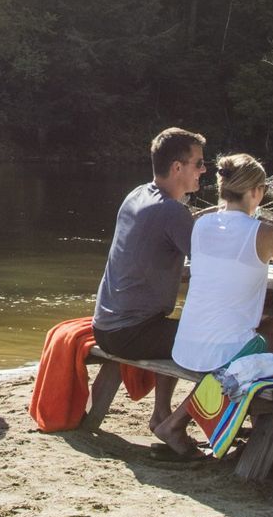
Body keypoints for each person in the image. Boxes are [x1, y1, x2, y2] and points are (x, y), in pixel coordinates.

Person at [153, 154, 273, 455]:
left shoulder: (202, 224)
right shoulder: (262, 232)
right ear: (257, 192)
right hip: (223, 352)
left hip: (187, 344)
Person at [83, 127, 206, 436]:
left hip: (107, 325)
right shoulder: (173, 212)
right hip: (131, 332)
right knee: (214, 349)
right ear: (178, 167)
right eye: (199, 163)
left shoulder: (137, 195)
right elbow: (211, 267)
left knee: (175, 327)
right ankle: (175, 425)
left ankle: (161, 414)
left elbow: (155, 257)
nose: (204, 170)